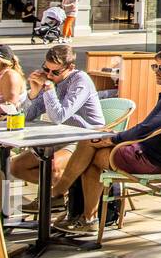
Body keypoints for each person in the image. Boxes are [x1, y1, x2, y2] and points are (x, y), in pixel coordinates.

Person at [50, 47, 161, 234]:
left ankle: (64, 197)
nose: (157, 72)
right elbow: (147, 127)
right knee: (93, 143)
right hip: (155, 154)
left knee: (90, 148)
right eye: (155, 67)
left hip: (151, 160)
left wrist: (113, 139)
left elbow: (144, 129)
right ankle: (83, 214)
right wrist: (111, 137)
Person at [7, 44, 104, 209]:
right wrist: (33, 93)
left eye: (55, 72)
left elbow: (59, 116)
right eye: (46, 69)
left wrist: (50, 90)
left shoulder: (80, 81)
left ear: (70, 67)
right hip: (60, 135)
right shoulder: (50, 80)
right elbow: (28, 116)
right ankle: (58, 193)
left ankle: (54, 196)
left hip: (84, 138)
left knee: (52, 166)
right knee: (16, 167)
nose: (49, 75)